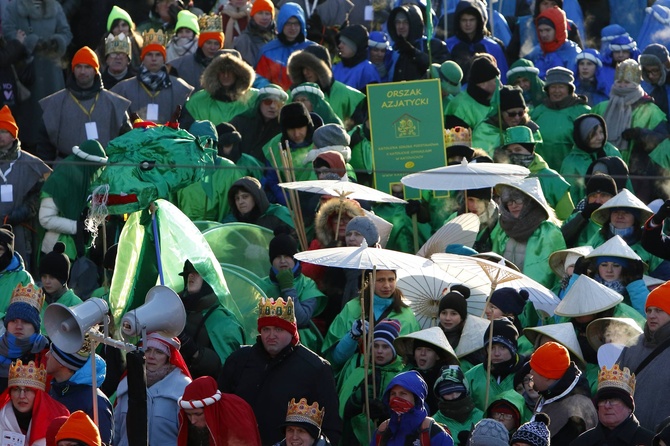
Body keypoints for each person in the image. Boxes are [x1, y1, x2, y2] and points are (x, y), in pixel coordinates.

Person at [220, 297, 342, 444]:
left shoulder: (316, 368)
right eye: (266, 329)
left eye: (278, 329)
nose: (271, 336)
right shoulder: (239, 360)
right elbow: (220, 408)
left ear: (292, 332)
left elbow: (330, 426)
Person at [322, 268, 420, 381]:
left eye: (391, 279)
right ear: (369, 280)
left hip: (393, 381)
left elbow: (411, 357)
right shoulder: (353, 308)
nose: (387, 285)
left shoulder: (407, 315)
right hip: (355, 377)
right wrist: (352, 337)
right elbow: (335, 359)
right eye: (380, 280)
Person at [592, 59, 668, 203]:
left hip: (638, 175)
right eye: (619, 82)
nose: (622, 86)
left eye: (627, 83)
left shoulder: (651, 111)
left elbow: (663, 143)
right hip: (604, 171)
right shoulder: (601, 107)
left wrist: (642, 135)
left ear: (637, 85)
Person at [37, 47, 132, 161]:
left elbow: (127, 140)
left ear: (95, 70)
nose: (82, 71)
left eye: (87, 67)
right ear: (73, 69)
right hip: (66, 169)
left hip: (105, 167)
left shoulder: (114, 103)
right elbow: (44, 145)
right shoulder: (55, 103)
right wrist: (48, 171)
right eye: (78, 66)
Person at [114, 332, 192, 446]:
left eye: (159, 352)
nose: (151, 356)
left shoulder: (182, 387)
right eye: (147, 349)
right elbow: (116, 430)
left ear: (168, 357)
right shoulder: (126, 383)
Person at [176, 259, 246, 378]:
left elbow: (228, 371)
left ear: (209, 280)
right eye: (188, 272)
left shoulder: (223, 321)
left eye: (197, 272)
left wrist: (195, 352)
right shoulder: (176, 310)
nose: (191, 275)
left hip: (208, 393)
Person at [491, 178, 566, 289]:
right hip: (505, 293)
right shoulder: (503, 228)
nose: (513, 205)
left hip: (533, 296)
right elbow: (494, 261)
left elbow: (556, 271)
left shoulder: (549, 231)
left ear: (530, 202)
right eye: (509, 202)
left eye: (518, 200)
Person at [0, 106, 50, 271]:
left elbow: (41, 194)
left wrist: (24, 211)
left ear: (13, 135)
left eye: (4, 131)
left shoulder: (31, 163)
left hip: (22, 229)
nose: (0, 135)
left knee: (22, 268)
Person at [258, 230, 326, 352]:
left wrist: (287, 288)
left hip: (300, 345)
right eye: (278, 257)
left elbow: (301, 319)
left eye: (287, 256)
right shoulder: (261, 284)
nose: (283, 261)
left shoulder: (307, 284)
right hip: (267, 344)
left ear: (294, 259)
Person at [339, 319, 405, 444]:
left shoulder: (400, 376)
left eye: (385, 347)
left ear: (394, 350)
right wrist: (356, 401)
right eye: (375, 345)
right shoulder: (360, 371)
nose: (379, 351)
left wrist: (385, 414)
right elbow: (342, 408)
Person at [111, 29, 194, 124]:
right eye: (149, 54)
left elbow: (186, 122)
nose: (154, 59)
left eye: (158, 55)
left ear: (164, 58)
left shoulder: (181, 88)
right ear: (142, 58)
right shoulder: (123, 89)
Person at [617, 281, 670, 431]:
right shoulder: (633, 344)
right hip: (627, 433)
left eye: (659, 310)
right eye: (649, 310)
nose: (652, 315)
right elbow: (615, 384)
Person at [494, 125, 574, 221]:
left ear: (531, 150)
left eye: (518, 150)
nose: (513, 154)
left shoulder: (552, 178)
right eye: (509, 151)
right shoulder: (503, 180)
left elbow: (567, 218)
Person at [1, 0, 72, 102]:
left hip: (52, 72)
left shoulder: (55, 6)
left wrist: (56, 43)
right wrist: (28, 43)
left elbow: (66, 33)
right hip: (27, 72)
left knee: (53, 111)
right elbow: (8, 32)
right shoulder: (14, 7)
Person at [588, 189, 667, 277]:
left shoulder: (649, 240)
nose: (620, 216)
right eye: (615, 212)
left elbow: (662, 275)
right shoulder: (599, 236)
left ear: (635, 218)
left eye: (626, 213)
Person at [46, 343, 113, 446]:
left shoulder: (96, 402)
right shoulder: (55, 390)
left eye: (52, 352)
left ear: (62, 361)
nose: (46, 355)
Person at [529, 342, 597, 443]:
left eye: (535, 369)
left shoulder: (576, 412)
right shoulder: (550, 393)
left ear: (547, 376)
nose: (530, 373)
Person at [571, 364, 654, 446]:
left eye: (613, 400)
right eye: (603, 400)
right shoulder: (581, 442)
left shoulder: (651, 442)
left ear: (629, 407)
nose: (607, 406)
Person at [530, 67, 590, 172]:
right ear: (547, 90)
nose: (556, 91)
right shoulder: (538, 111)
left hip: (572, 171)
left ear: (569, 89)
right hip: (541, 171)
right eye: (553, 87)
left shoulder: (582, 111)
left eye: (561, 87)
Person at [287, 45, 364, 126]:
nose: (306, 72)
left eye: (310, 67)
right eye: (303, 68)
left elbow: (359, 130)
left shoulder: (348, 96)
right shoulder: (291, 94)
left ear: (322, 69)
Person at [371, 371, 454, 445]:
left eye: (403, 394)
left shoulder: (433, 433)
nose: (396, 398)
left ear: (416, 398)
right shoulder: (383, 432)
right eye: (393, 394)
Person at [181, 51, 257, 128]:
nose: (226, 75)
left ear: (239, 73)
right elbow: (186, 133)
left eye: (230, 71)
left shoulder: (254, 98)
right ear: (214, 73)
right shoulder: (197, 101)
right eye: (222, 70)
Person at [0, 360, 69, 445]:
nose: (22, 396)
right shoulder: (1, 417)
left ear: (38, 395)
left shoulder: (58, 416)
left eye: (28, 390)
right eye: (16, 389)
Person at [178, 376, 261, 445]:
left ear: (210, 410)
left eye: (198, 414)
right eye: (189, 415)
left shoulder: (235, 421)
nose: (193, 421)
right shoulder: (189, 425)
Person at [394, 327, 459, 415]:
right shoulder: (405, 376)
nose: (422, 353)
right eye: (419, 349)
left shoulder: (446, 379)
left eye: (429, 350)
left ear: (437, 356)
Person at [560, 113, 623, 204]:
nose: (600, 137)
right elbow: (571, 197)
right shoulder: (571, 163)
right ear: (582, 136)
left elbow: (626, 184)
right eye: (593, 134)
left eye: (601, 132)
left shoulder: (612, 152)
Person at [465, 318, 525, 411]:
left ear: (513, 348)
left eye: (503, 347)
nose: (496, 353)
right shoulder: (472, 376)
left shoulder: (526, 374)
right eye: (491, 347)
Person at [0, 283, 48, 393]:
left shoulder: (47, 352)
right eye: (13, 321)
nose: (19, 326)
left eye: (25, 322)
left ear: (35, 326)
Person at [255, 2, 315, 90]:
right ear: (281, 24)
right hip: (275, 100)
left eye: (296, 23)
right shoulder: (268, 51)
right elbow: (259, 78)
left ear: (302, 25)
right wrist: (272, 90)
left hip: (303, 100)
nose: (293, 28)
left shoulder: (313, 50)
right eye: (288, 23)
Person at [446, 0, 508, 84]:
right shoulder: (448, 46)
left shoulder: (493, 47)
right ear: (458, 21)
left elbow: (502, 78)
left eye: (472, 20)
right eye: (464, 20)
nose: (468, 24)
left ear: (478, 21)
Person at [472, 85, 541, 158]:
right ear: (500, 113)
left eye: (521, 113)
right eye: (512, 114)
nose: (517, 117)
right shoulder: (485, 131)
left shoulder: (531, 130)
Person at [386, 4, 449, 82]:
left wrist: (413, 52)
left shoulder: (434, 45)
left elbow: (442, 71)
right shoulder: (394, 50)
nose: (401, 26)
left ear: (415, 23)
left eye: (406, 22)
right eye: (398, 22)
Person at [230, 83, 286, 164]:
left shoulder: (283, 128)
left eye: (278, 103)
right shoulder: (240, 121)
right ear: (259, 103)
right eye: (268, 101)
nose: (273, 106)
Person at [170, 13, 225, 91]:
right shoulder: (180, 66)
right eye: (208, 43)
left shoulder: (227, 65)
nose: (212, 47)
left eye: (216, 44)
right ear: (201, 44)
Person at [560, 173, 618, 248]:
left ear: (613, 198)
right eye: (593, 196)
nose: (597, 201)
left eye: (603, 195)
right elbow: (560, 240)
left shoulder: (620, 218)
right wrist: (582, 217)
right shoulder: (575, 218)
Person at [445, 54, 500, 130]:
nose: (500, 84)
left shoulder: (499, 99)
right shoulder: (459, 106)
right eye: (495, 81)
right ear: (483, 84)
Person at [525, 6, 581, 80]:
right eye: (540, 31)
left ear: (558, 29)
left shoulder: (573, 53)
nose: (543, 35)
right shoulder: (537, 51)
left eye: (547, 30)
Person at [433, 366, 484, 445]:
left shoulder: (482, 419)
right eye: (447, 392)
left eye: (458, 391)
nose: (453, 396)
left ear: (465, 390)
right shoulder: (434, 423)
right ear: (439, 394)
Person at [223, 176, 294, 230]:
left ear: (255, 196)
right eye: (237, 198)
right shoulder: (233, 222)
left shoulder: (278, 214)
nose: (240, 202)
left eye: (245, 197)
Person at [38, 243, 82, 321]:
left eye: (52, 277)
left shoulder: (76, 305)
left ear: (63, 279)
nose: (47, 281)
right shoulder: (34, 299)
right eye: (44, 276)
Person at [332, 24, 381, 93]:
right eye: (340, 42)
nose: (340, 46)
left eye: (344, 43)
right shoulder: (336, 67)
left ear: (355, 46)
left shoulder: (368, 71)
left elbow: (373, 99)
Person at [98, 5, 144, 70]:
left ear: (129, 27)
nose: (120, 29)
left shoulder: (140, 46)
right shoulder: (102, 49)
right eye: (116, 26)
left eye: (124, 25)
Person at [234, 0, 276, 67]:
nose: (264, 17)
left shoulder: (277, 38)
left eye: (267, 14)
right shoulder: (244, 40)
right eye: (260, 13)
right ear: (253, 16)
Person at [640, 44, 670, 124]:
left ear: (665, 67)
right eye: (647, 71)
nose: (650, 76)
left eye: (655, 70)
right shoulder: (645, 87)